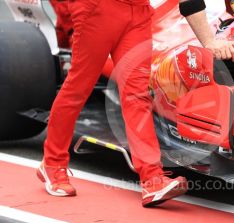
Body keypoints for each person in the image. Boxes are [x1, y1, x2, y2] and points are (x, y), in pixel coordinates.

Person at [37, 0, 188, 207]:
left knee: (137, 95)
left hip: (139, 12)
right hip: (99, 8)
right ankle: (53, 164)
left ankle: (152, 179)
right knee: (78, 88)